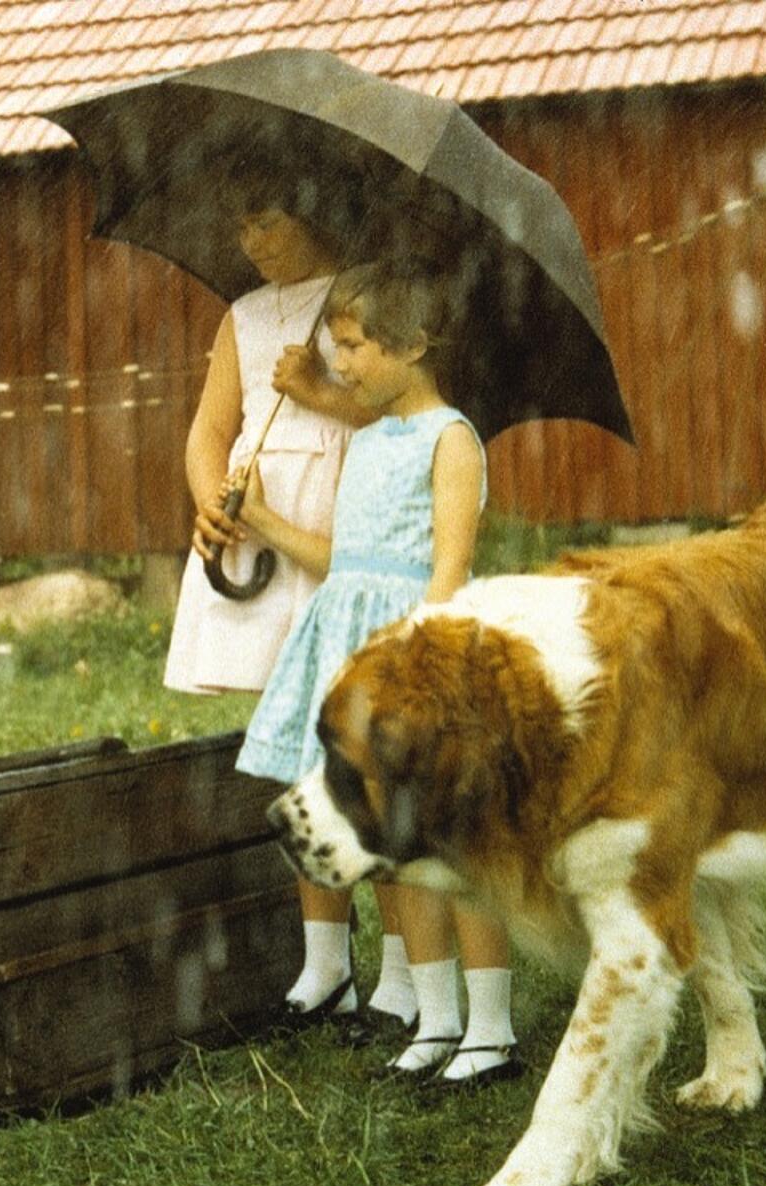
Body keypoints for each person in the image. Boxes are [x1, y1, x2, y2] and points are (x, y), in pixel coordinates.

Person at [232, 261, 521, 1086]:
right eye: (339, 347)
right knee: (395, 854)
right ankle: (435, 1020)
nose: (342, 366)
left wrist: (415, 670)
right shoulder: (366, 440)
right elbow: (346, 559)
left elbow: (449, 566)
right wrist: (262, 519)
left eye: (354, 348)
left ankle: (492, 1031)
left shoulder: (451, 438)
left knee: (451, 850)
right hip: (352, 655)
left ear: (415, 345)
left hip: (416, 657)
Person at [161, 170, 426, 1035]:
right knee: (295, 752)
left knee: (365, 746)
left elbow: (402, 414)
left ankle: (407, 971)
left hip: (336, 525)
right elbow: (211, 427)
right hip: (263, 526)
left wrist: (320, 390)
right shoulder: (242, 316)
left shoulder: (365, 300)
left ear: (312, 211)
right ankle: (323, 964)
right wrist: (211, 498)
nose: (253, 243)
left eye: (267, 220)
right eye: (241, 228)